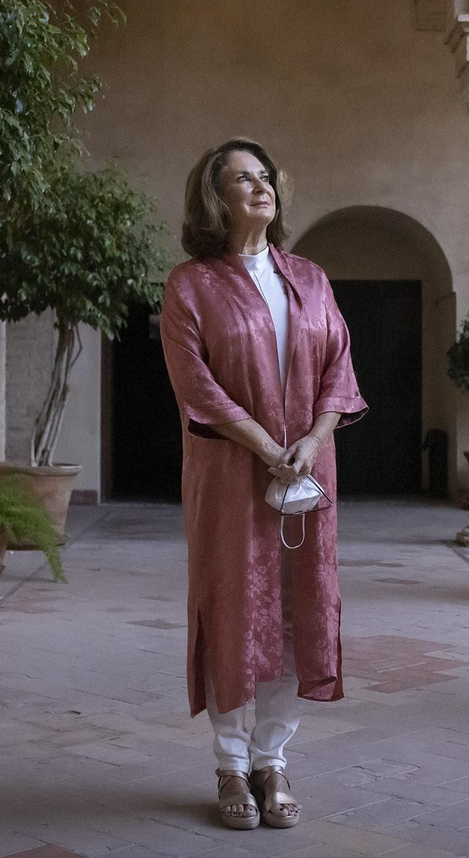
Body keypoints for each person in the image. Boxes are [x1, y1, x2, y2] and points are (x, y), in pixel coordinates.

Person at [159, 137, 367, 830]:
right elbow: (196, 385)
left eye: (265, 175)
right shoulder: (190, 285)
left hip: (307, 472)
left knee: (293, 609)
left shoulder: (309, 276)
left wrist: (309, 441)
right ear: (215, 198)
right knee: (231, 608)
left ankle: (271, 758)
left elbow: (339, 367)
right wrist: (264, 444)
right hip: (228, 473)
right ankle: (229, 763)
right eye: (242, 177)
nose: (260, 185)